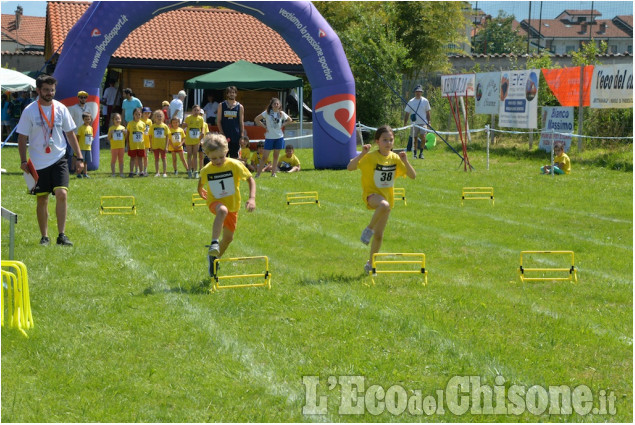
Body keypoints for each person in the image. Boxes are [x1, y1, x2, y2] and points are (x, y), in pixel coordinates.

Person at [17, 74, 84, 246]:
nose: (49, 93)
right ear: (38, 90)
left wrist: (79, 157)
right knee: (42, 198)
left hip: (59, 158)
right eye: (46, 90)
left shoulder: (61, 108)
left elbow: (70, 133)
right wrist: (23, 161)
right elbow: (22, 137)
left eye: (52, 90)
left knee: (62, 194)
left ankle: (62, 235)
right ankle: (44, 237)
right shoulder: (29, 111)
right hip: (38, 162)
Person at [347, 125, 416, 274]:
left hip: (387, 199)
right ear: (377, 141)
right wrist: (362, 154)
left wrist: (405, 160)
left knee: (379, 235)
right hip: (371, 195)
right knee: (383, 205)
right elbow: (350, 167)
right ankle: (368, 229)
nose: (388, 143)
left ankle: (371, 264)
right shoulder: (370, 157)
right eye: (385, 140)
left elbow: (413, 175)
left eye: (391, 140)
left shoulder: (395, 158)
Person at [197, 133, 256, 277]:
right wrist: (200, 191)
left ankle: (214, 259)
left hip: (233, 205)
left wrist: (252, 198)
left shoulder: (235, 165)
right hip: (215, 202)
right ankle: (214, 242)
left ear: (226, 151)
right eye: (213, 158)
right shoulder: (207, 169)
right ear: (207, 155)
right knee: (222, 210)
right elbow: (200, 183)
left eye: (220, 157)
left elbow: (250, 180)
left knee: (229, 238)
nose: (217, 161)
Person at [254, 97, 292, 178]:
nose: (276, 105)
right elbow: (256, 119)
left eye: (277, 104)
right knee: (264, 157)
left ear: (280, 105)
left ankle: (273, 173)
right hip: (269, 137)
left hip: (279, 137)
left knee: (276, 156)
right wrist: (264, 126)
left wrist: (283, 125)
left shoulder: (281, 113)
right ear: (271, 105)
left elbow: (290, 120)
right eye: (274, 104)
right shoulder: (267, 113)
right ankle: (258, 174)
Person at [403, 84, 431, 159]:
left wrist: (429, 122)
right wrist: (405, 123)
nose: (418, 93)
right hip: (414, 123)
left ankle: (421, 153)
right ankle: (415, 153)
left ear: (421, 92)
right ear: (414, 92)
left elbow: (428, 112)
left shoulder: (425, 101)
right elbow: (407, 113)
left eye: (419, 92)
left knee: (423, 137)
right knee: (414, 139)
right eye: (417, 92)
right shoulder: (411, 101)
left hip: (423, 123)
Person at [216, 86, 245, 159]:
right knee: (223, 156)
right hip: (224, 135)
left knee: (234, 157)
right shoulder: (221, 105)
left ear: (236, 94)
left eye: (233, 92)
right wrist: (222, 133)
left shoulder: (240, 106)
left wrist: (241, 136)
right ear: (227, 94)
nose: (232, 94)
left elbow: (241, 122)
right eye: (230, 93)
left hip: (235, 135)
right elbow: (218, 121)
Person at [184, 104, 205, 178]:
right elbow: (184, 125)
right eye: (195, 110)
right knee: (189, 154)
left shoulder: (201, 119)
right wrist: (183, 124)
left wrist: (202, 132)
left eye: (198, 110)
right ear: (192, 111)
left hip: (197, 139)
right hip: (189, 139)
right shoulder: (188, 118)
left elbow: (202, 127)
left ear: (200, 111)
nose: (196, 112)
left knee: (195, 155)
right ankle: (189, 170)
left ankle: (196, 171)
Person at [126, 107, 147, 177]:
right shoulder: (130, 123)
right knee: (132, 158)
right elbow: (128, 134)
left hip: (141, 145)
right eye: (136, 114)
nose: (137, 116)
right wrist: (128, 144)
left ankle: (141, 172)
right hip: (133, 145)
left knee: (140, 158)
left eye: (139, 114)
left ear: (141, 115)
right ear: (133, 115)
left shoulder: (143, 124)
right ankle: (131, 172)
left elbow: (144, 134)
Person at [149, 109, 170, 177]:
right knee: (156, 159)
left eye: (160, 116)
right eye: (157, 116)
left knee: (164, 158)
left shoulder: (165, 126)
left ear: (163, 117)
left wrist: (166, 146)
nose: (159, 118)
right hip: (155, 145)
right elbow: (150, 137)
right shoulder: (152, 126)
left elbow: (167, 136)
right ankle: (157, 172)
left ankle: (164, 172)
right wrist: (151, 146)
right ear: (155, 118)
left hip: (163, 145)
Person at [108, 112, 126, 177]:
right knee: (113, 160)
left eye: (119, 119)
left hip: (121, 146)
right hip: (114, 147)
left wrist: (125, 132)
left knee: (121, 160)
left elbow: (126, 137)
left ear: (121, 120)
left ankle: (121, 173)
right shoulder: (111, 128)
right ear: (113, 120)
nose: (117, 120)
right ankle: (113, 173)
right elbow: (109, 138)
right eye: (116, 119)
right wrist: (110, 133)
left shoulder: (123, 128)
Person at [76, 112, 94, 178]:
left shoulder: (91, 128)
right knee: (81, 161)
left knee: (86, 162)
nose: (87, 120)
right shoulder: (81, 128)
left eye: (88, 119)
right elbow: (77, 137)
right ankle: (78, 173)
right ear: (83, 119)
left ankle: (85, 173)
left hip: (88, 148)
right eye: (86, 119)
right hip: (82, 147)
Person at [141, 106, 153, 176]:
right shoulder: (140, 120)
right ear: (142, 113)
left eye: (148, 113)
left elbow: (150, 131)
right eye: (145, 113)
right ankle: (139, 169)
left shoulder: (150, 121)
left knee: (145, 156)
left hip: (147, 141)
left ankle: (145, 169)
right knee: (139, 156)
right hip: (140, 141)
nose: (147, 115)